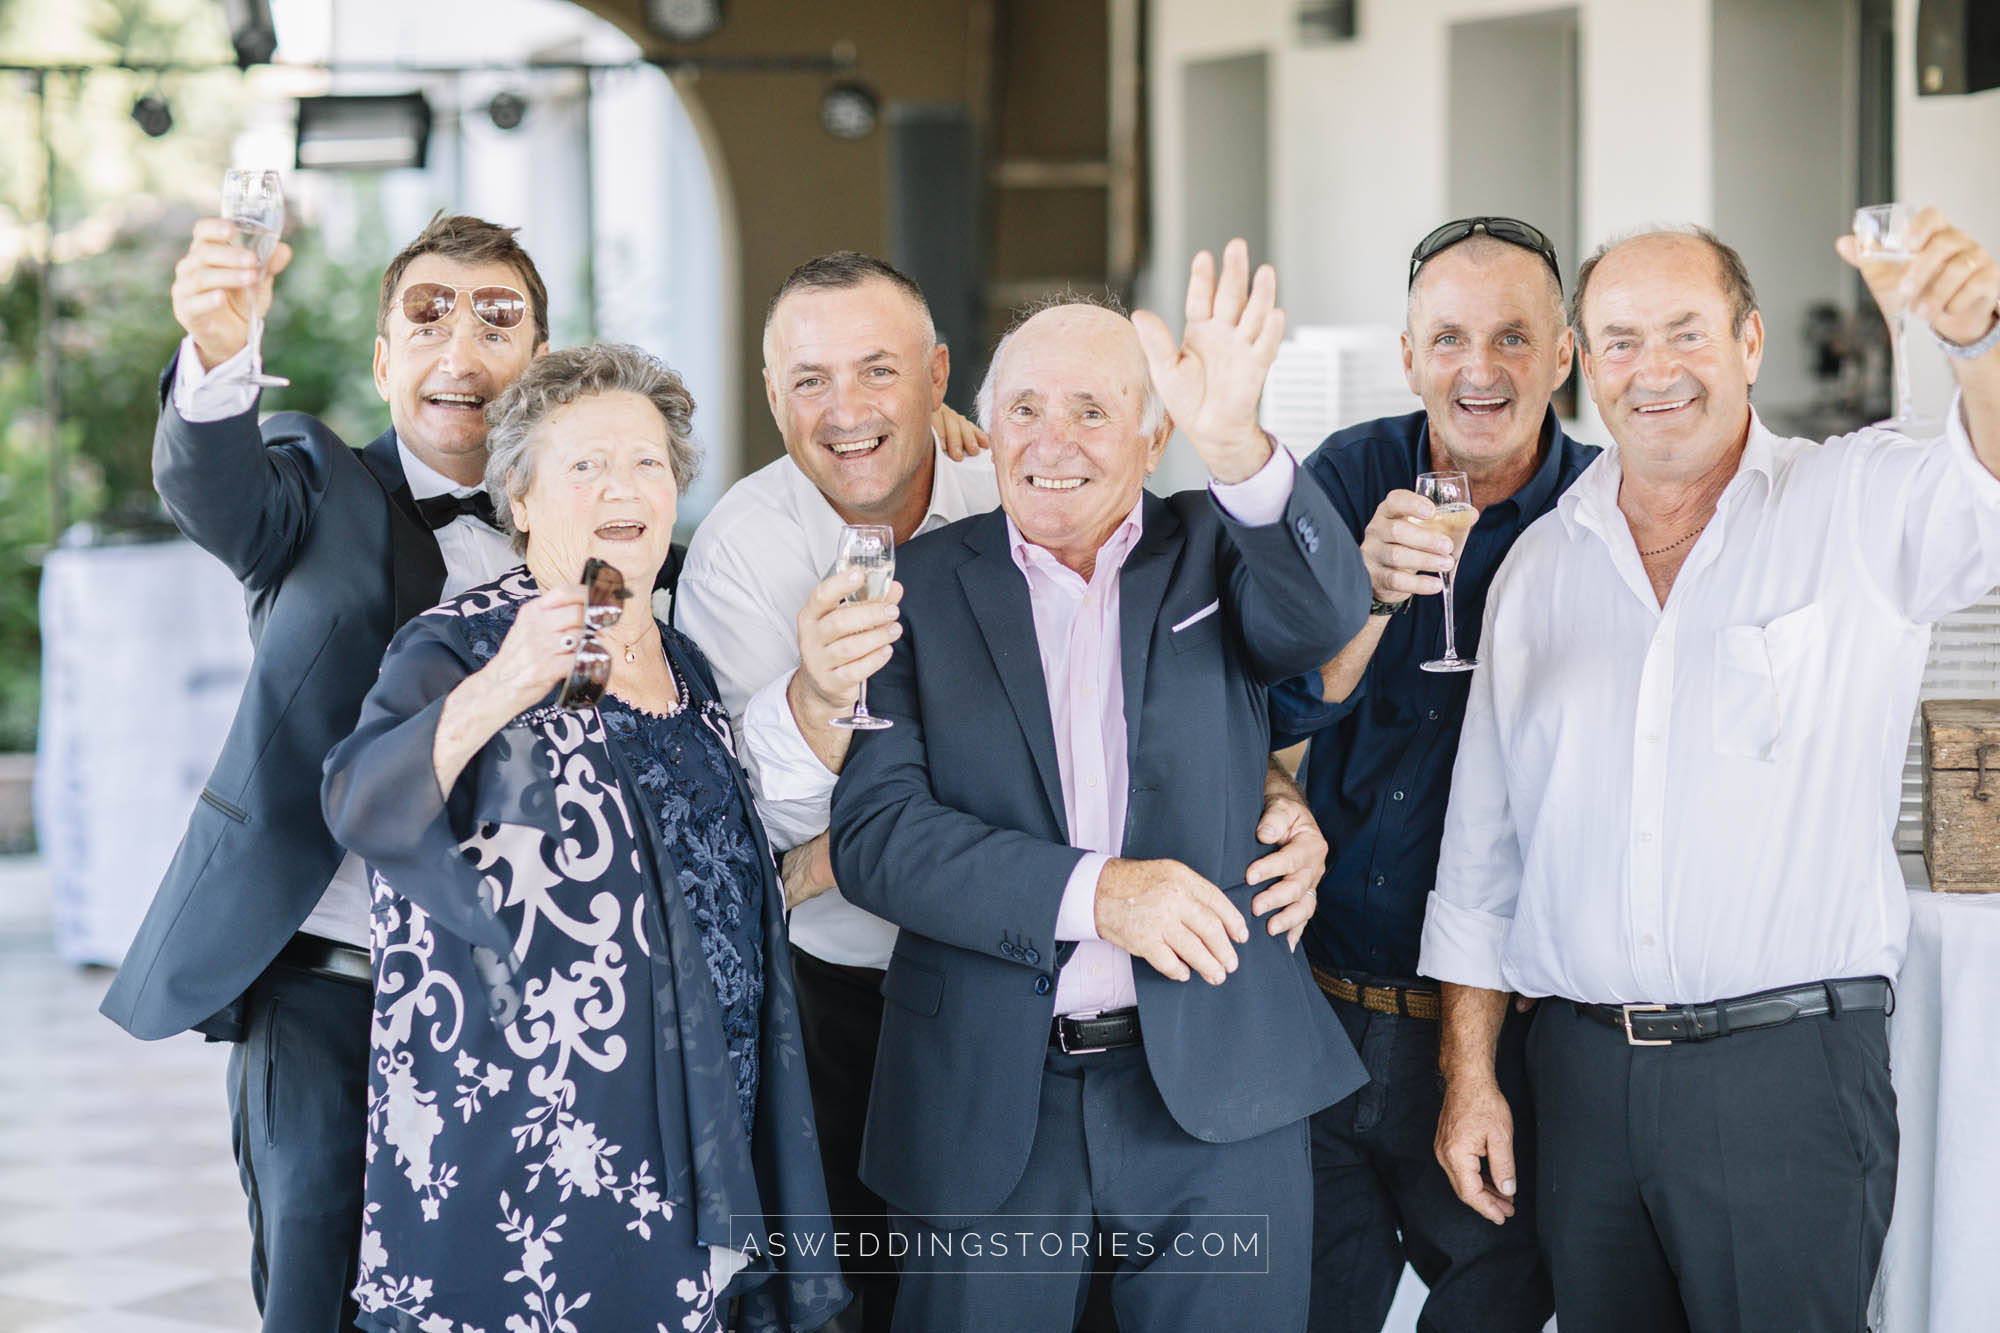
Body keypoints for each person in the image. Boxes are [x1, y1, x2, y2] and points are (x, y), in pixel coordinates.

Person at [674, 251, 1327, 1330]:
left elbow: (1284, 648)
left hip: (1199, 1062)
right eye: (808, 380)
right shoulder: (801, 566)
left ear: (936, 384)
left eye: (877, 371)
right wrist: (1095, 888)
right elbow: (813, 823)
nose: (846, 411)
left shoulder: (1125, 513)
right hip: (906, 1022)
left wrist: (1266, 795)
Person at [1423, 211, 2000, 1330]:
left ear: (1748, 343)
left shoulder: (1852, 504)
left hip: (1782, 1075)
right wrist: (1468, 1073)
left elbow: (1983, 486)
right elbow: (1481, 856)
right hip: (1579, 1080)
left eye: (1684, 333)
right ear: (1585, 367)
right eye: (1621, 341)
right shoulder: (1539, 566)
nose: (1654, 371)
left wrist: (1976, 341)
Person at [320, 343, 846, 1333]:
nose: (623, 486)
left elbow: (691, 881)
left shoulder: (684, 664)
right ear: (519, 500)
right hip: (533, 1154)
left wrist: (823, 863)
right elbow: (359, 802)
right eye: (585, 465)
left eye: (647, 462)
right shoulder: (460, 643)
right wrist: (508, 680)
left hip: (702, 1124)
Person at [102, 213, 555, 1333]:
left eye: (498, 320)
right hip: (327, 981)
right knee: (315, 1283)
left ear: (538, 362)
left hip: (527, 997)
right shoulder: (312, 488)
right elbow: (212, 486)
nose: (462, 347)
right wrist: (214, 354)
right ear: (382, 360)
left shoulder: (594, 531)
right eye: (427, 314)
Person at [1272, 217, 1590, 1333]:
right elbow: (1261, 701)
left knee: (1492, 1308)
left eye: (1512, 338)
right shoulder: (1346, 474)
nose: (1478, 368)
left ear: (1564, 355)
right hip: (1316, 1014)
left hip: (1508, 1046)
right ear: (1407, 355)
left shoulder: (1603, 513)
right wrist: (1355, 595)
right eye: (1447, 337)